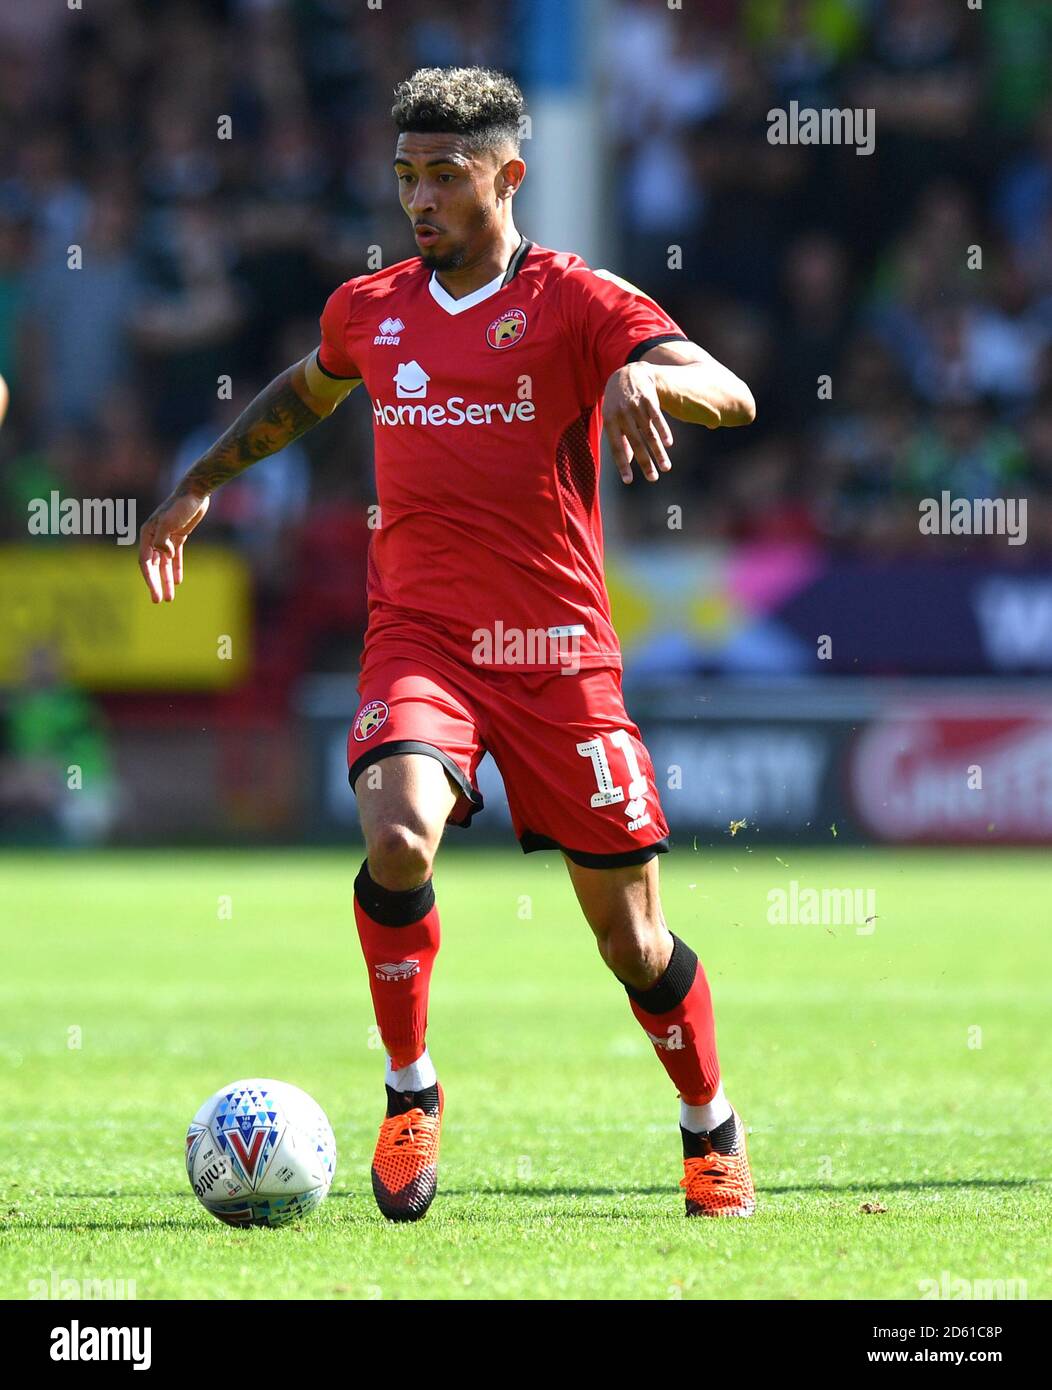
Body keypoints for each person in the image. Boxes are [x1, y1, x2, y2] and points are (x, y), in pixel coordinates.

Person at [138, 67, 757, 1222]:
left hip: (559, 652)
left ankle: (706, 1124)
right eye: (404, 176)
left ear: (507, 177)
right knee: (401, 834)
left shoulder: (576, 300)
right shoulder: (370, 308)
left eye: (444, 176)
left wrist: (642, 374)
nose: (417, 199)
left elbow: (731, 391)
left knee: (631, 941)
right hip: (419, 639)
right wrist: (197, 484)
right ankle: (409, 1090)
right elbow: (303, 394)